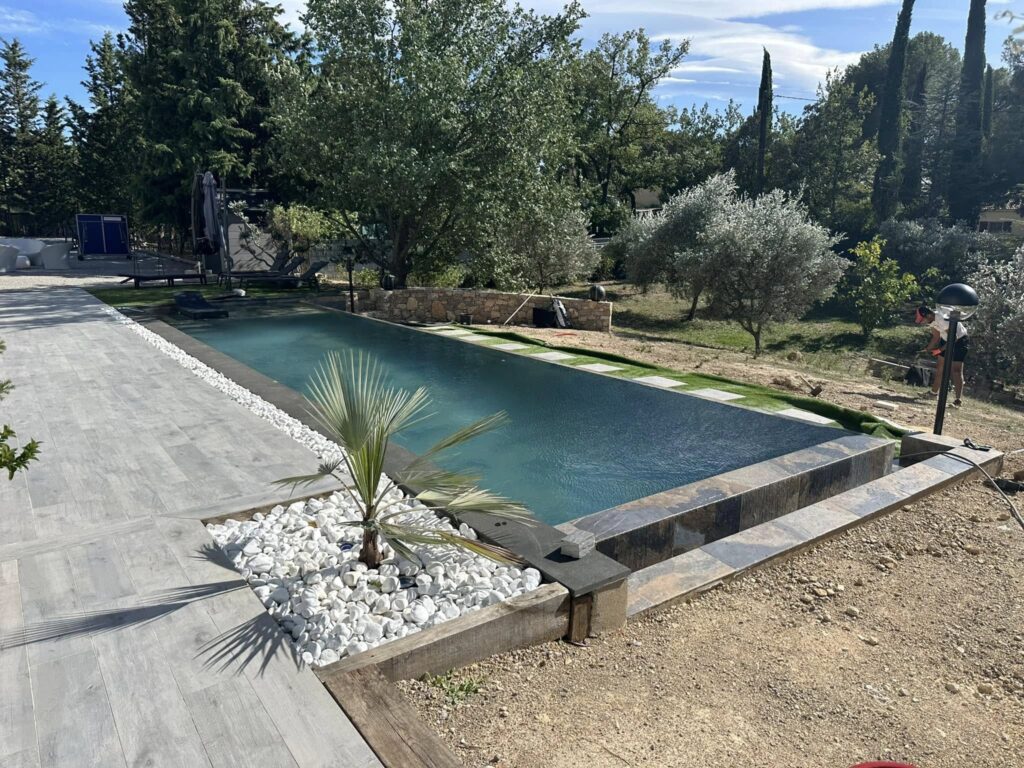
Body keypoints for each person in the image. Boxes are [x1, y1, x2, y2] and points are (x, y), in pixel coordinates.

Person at [915, 305, 969, 407]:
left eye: (923, 320)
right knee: (940, 367)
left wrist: (939, 350)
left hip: (960, 341)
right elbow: (936, 337)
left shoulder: (941, 319)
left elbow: (954, 338)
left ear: (929, 315)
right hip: (946, 340)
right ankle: (933, 394)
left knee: (956, 371)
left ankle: (958, 400)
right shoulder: (932, 321)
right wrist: (927, 349)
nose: (922, 322)